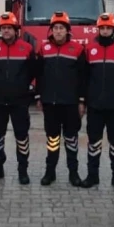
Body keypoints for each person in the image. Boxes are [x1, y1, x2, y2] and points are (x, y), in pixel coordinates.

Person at [82, 13, 114, 191]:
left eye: (108, 28)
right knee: (94, 141)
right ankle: (92, 176)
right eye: (102, 28)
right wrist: (84, 99)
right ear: (98, 29)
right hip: (95, 105)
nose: (105, 31)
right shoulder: (89, 49)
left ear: (113, 29)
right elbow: (84, 77)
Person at [0, 12, 36, 185]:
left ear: (15, 30)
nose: (6, 31)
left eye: (9, 28)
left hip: (19, 102)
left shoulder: (27, 48)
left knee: (22, 137)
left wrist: (29, 92)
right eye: (3, 28)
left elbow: (34, 73)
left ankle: (23, 170)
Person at [34, 11, 86, 187]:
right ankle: (50, 173)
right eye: (55, 28)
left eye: (61, 28)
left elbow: (82, 77)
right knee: (53, 140)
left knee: (71, 139)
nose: (58, 31)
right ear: (51, 30)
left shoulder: (78, 49)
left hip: (70, 104)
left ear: (67, 30)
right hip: (50, 103)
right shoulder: (43, 49)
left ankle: (74, 173)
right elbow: (38, 74)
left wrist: (81, 100)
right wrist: (39, 96)